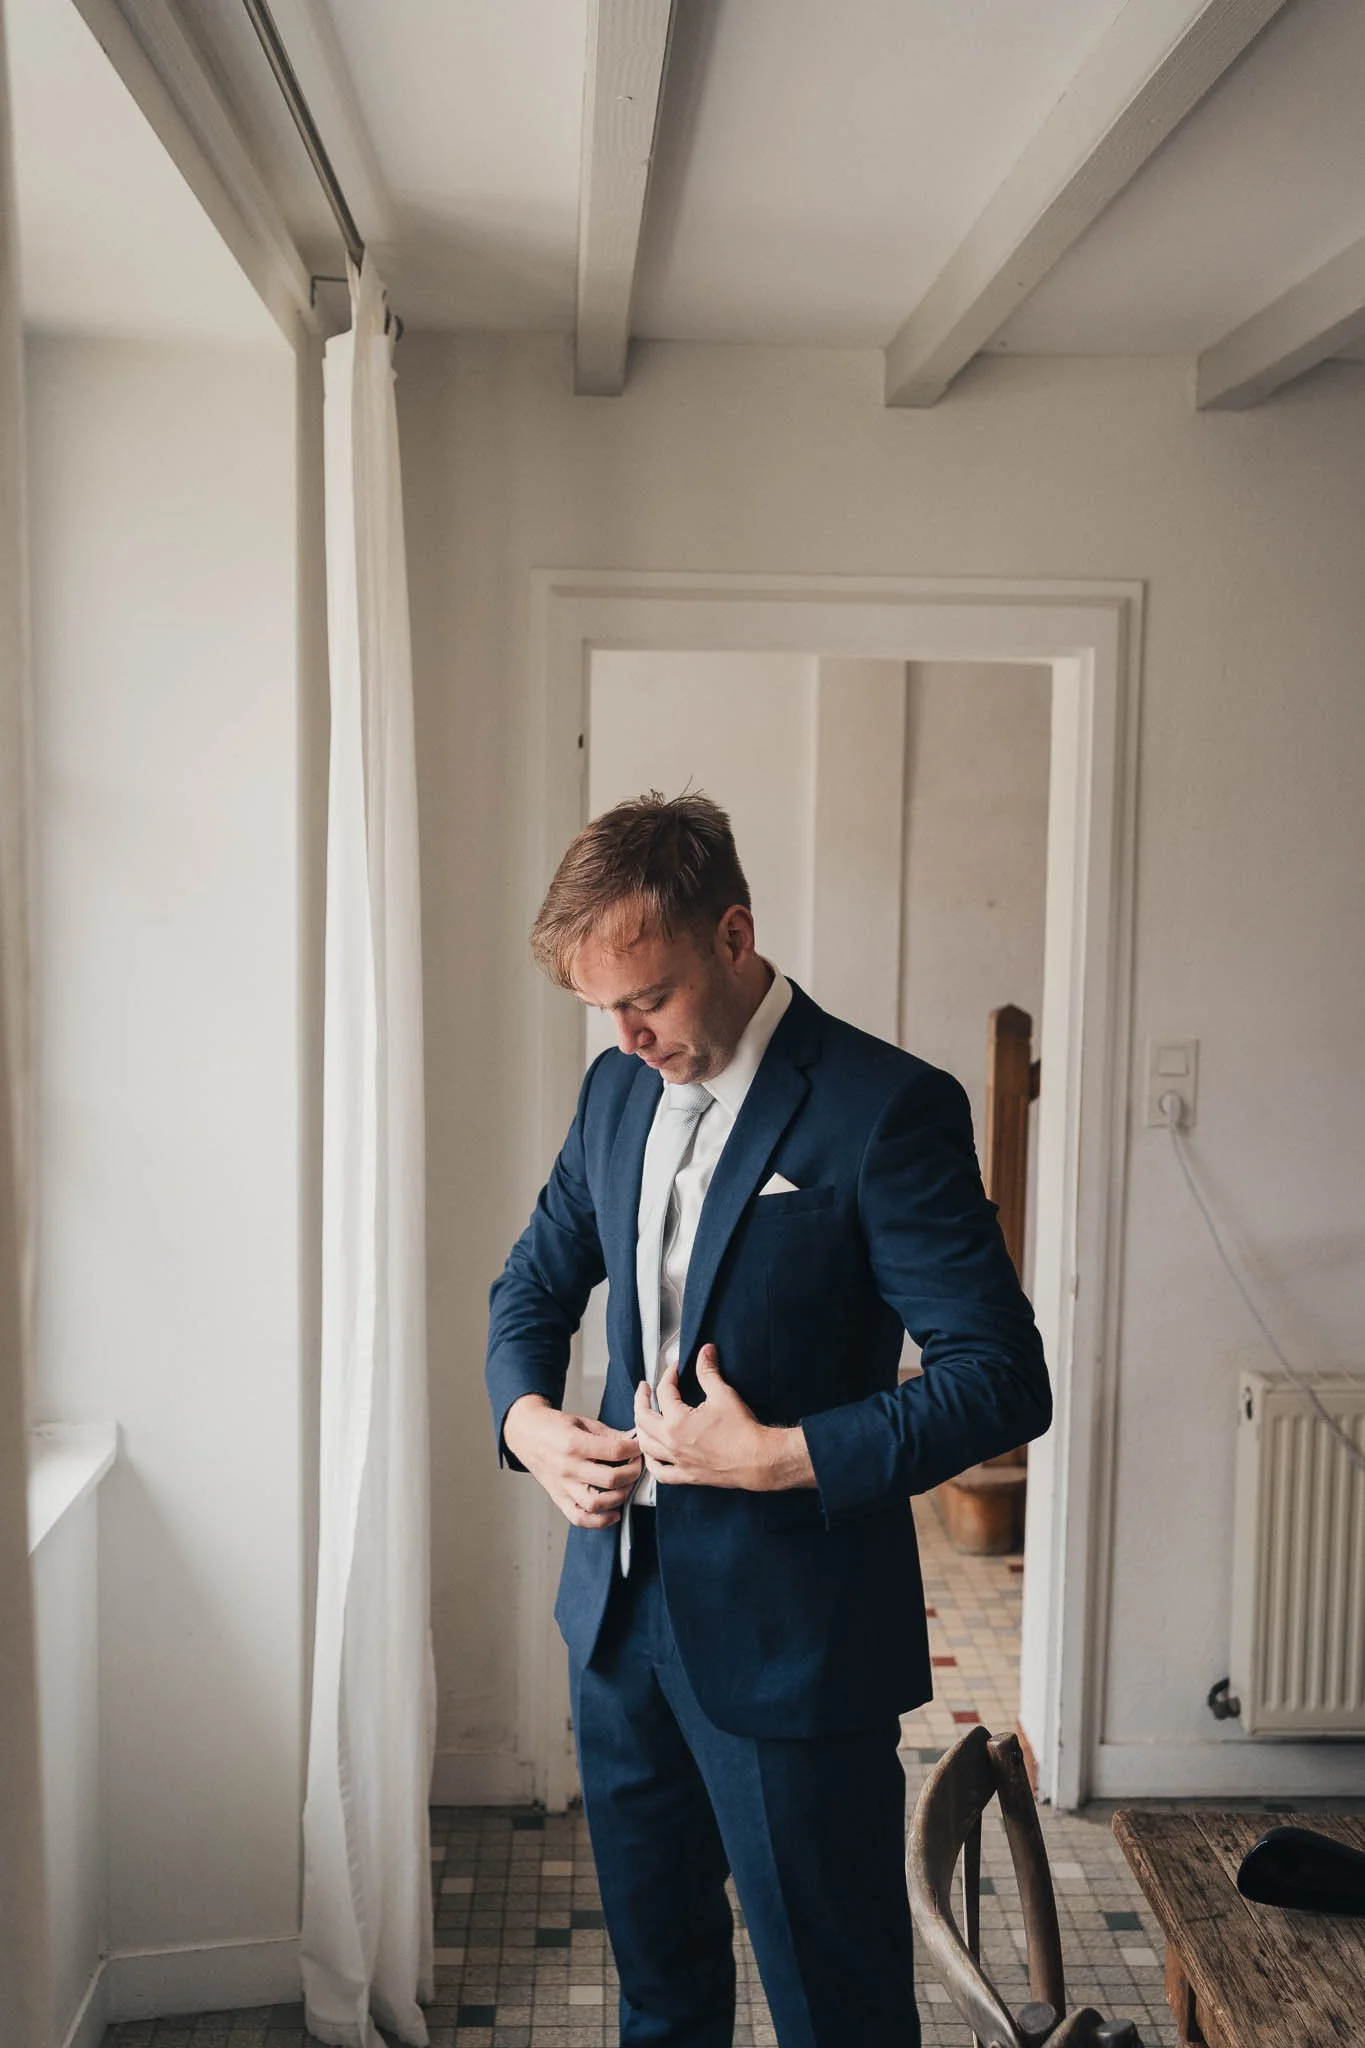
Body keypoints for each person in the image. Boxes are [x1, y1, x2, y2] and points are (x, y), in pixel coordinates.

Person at [486, 791, 1052, 2048]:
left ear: (735, 936)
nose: (627, 1035)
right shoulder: (614, 1094)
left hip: (796, 1647)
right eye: (603, 1012)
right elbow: (534, 1278)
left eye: (652, 998)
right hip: (618, 1625)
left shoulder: (886, 1107)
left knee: (837, 2012)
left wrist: (782, 1455)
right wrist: (527, 1421)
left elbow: (1003, 1377)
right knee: (661, 1999)